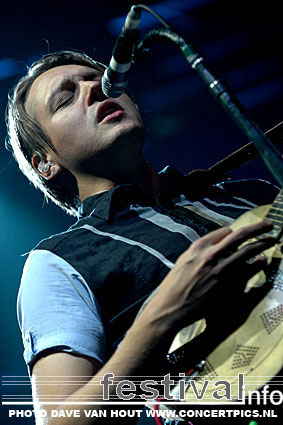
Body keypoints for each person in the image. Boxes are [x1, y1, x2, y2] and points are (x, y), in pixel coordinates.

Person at [6, 50, 279, 424]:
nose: (96, 90)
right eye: (66, 98)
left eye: (99, 79)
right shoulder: (58, 263)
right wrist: (161, 317)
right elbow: (60, 420)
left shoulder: (250, 192)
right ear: (46, 162)